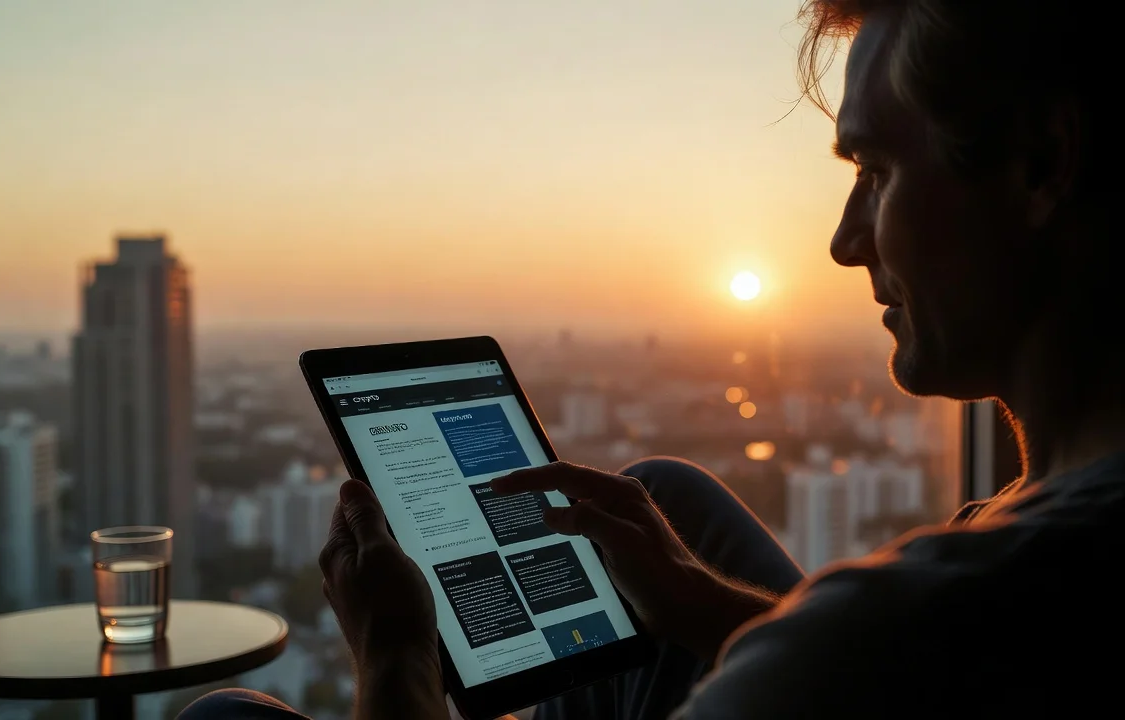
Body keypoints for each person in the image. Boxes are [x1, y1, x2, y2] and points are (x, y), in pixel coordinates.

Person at [181, 0, 1122, 717]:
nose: (844, 240)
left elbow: (848, 669)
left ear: (1042, 165)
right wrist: (698, 605)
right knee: (663, 493)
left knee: (228, 716)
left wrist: (395, 664)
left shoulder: (893, 634)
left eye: (876, 173)